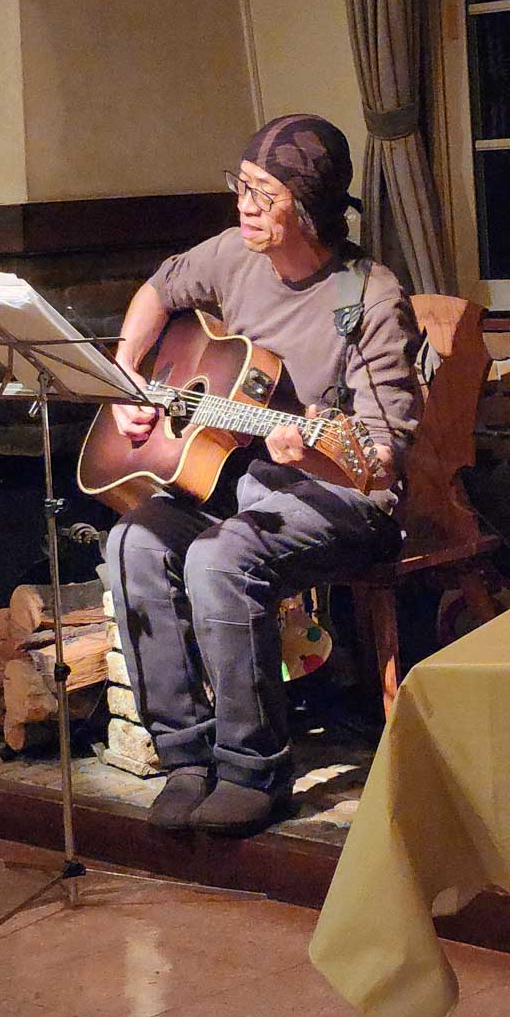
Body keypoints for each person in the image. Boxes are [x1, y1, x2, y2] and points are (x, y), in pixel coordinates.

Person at [106, 114, 422, 836]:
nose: (243, 205)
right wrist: (131, 380)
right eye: (240, 186)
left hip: (339, 496)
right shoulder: (232, 255)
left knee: (223, 557)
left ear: (307, 207)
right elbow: (159, 290)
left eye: (263, 193)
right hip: (233, 477)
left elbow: (377, 461)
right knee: (133, 544)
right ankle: (185, 756)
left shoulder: (369, 300)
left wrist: (306, 450)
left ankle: (253, 769)